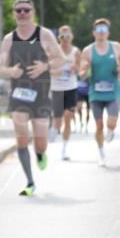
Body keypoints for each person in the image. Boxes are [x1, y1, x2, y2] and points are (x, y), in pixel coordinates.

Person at [0, 0, 64, 196]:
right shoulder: (9, 39)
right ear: (14, 14)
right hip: (18, 95)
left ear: (33, 12)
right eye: (19, 10)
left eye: (26, 10)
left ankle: (41, 153)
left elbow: (61, 60)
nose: (23, 14)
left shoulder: (43, 35)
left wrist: (45, 66)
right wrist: (10, 72)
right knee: (21, 137)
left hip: (41, 95)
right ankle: (30, 182)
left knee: (40, 141)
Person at [79, 18, 120, 167]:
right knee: (98, 125)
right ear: (94, 32)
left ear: (108, 33)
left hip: (113, 91)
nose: (101, 33)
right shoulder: (87, 50)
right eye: (98, 30)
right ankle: (101, 154)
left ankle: (111, 130)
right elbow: (81, 74)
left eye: (103, 30)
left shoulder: (116, 47)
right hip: (95, 92)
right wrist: (85, 68)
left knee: (111, 122)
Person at [50, 25, 80, 160]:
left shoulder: (76, 52)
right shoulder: (53, 52)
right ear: (58, 38)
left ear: (72, 37)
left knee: (68, 116)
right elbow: (46, 69)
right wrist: (56, 72)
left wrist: (76, 69)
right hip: (56, 89)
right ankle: (55, 129)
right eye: (62, 36)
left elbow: (79, 68)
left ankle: (64, 148)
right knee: (58, 120)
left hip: (71, 88)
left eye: (68, 36)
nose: (65, 39)